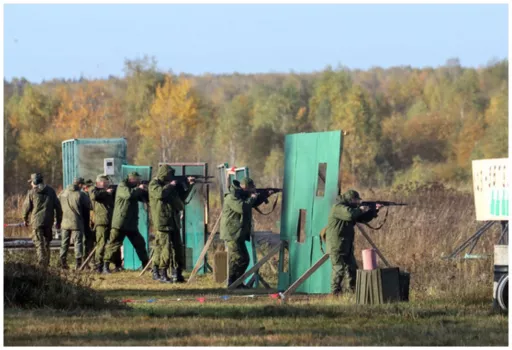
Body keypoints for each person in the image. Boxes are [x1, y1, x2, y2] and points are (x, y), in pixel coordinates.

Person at [325, 189, 382, 296]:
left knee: (352, 268)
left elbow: (362, 218)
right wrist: (361, 209)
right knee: (339, 268)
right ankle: (334, 293)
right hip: (336, 245)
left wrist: (374, 211)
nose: (358, 203)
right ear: (351, 199)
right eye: (356, 200)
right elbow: (350, 215)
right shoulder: (338, 208)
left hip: (346, 245)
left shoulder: (351, 209)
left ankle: (351, 293)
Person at [149, 165, 195, 283]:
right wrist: (172, 184)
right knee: (164, 248)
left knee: (178, 249)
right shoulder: (154, 184)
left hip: (173, 221)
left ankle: (177, 273)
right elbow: (160, 194)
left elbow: (180, 199)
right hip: (163, 221)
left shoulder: (170, 187)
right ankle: (162, 273)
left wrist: (189, 185)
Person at [102, 172, 150, 274]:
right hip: (121, 222)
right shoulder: (122, 186)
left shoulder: (133, 189)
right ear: (132, 179)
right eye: (136, 180)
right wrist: (139, 189)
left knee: (140, 243)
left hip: (131, 224)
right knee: (113, 245)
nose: (138, 182)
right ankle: (105, 266)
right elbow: (129, 195)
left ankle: (146, 265)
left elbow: (144, 198)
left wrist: (145, 190)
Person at [220, 177, 260, 288]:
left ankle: (236, 283)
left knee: (244, 259)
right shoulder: (232, 196)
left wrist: (262, 196)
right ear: (245, 187)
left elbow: (249, 204)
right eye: (251, 188)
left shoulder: (241, 195)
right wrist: (252, 198)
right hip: (232, 232)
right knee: (238, 258)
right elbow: (242, 207)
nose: (253, 190)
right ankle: (232, 283)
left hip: (238, 232)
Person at [22, 173, 62, 267]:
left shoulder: (31, 193)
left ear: (34, 182)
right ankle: (47, 264)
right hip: (48, 222)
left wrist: (25, 219)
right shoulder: (51, 191)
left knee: (39, 244)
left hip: (36, 222)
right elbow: (58, 207)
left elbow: (26, 207)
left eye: (31, 182)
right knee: (46, 243)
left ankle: (41, 265)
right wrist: (59, 221)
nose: (31, 184)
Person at [58, 177, 91, 270]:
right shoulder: (81, 194)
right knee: (78, 243)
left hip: (64, 222)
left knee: (64, 243)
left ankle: (63, 263)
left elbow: (57, 204)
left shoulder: (63, 193)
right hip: (76, 222)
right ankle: (78, 264)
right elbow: (89, 206)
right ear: (80, 184)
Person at [90, 175, 115, 273]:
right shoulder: (94, 190)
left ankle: (106, 265)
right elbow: (94, 196)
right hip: (101, 222)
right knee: (101, 244)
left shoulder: (105, 192)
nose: (107, 183)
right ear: (100, 182)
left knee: (110, 244)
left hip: (109, 221)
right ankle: (99, 266)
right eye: (105, 182)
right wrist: (106, 192)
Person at [81, 179, 95, 267]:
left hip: (90, 222)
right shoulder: (83, 196)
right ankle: (87, 262)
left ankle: (89, 262)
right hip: (86, 222)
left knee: (89, 243)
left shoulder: (88, 195)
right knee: (87, 243)